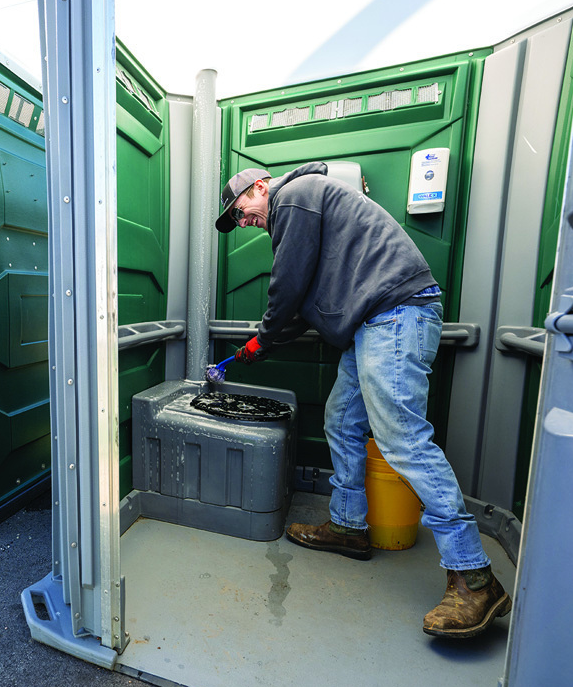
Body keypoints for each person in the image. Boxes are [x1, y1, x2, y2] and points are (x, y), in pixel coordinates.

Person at [214, 163, 510, 639]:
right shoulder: (301, 208)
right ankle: (349, 527)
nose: (243, 220)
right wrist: (258, 345)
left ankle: (474, 576)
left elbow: (287, 288)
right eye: (235, 219)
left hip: (395, 314)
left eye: (241, 209)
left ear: (260, 186)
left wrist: (263, 338)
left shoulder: (295, 196)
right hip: (372, 324)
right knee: (340, 421)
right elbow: (299, 306)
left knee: (403, 440)